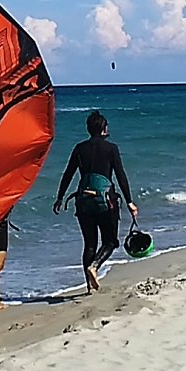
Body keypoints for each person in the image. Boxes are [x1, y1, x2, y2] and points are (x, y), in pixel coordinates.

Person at [53, 110, 137, 293]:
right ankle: (95, 266)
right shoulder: (111, 148)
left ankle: (89, 287)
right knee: (110, 241)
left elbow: (68, 173)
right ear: (104, 128)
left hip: (83, 200)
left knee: (90, 243)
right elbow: (120, 176)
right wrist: (129, 201)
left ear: (89, 129)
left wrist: (60, 197)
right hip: (105, 201)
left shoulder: (79, 148)